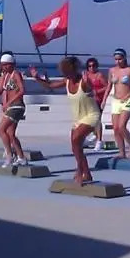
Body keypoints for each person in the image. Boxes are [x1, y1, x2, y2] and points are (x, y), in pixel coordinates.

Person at [30, 57, 102, 185]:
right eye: (65, 73)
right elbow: (50, 85)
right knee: (76, 148)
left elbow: (90, 88)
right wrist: (36, 78)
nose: (67, 76)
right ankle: (87, 174)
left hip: (92, 115)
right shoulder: (67, 81)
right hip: (78, 119)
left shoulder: (83, 81)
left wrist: (89, 83)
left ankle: (79, 171)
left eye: (68, 73)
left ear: (74, 70)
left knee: (75, 140)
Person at [0, 52, 26, 168]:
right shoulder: (4, 77)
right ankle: (21, 157)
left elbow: (22, 90)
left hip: (16, 106)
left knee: (1, 129)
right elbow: (0, 90)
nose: (4, 67)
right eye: (3, 65)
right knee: (11, 134)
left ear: (12, 64)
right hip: (9, 107)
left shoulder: (16, 74)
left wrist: (9, 102)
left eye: (7, 65)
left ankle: (9, 155)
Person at [105, 47, 130, 159]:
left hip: (127, 100)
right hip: (116, 100)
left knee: (122, 126)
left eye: (120, 59)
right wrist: (104, 100)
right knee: (115, 128)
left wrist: (127, 96)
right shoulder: (112, 71)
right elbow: (109, 86)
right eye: (116, 59)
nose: (118, 61)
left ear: (124, 58)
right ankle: (122, 153)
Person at [83, 57, 108, 151]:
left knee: (97, 121)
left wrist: (96, 92)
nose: (91, 68)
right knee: (87, 120)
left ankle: (99, 141)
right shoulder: (85, 75)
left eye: (93, 65)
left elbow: (107, 87)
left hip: (97, 100)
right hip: (87, 101)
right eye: (89, 66)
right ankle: (92, 137)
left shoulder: (99, 75)